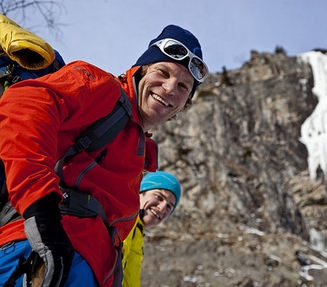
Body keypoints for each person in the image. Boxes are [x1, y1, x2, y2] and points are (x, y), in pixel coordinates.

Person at [0, 24, 208, 287]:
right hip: (34, 253)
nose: (169, 89)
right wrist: (41, 210)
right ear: (141, 70)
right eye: (162, 73)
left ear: (185, 104)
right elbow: (26, 103)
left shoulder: (139, 156)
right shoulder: (104, 88)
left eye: (182, 87)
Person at [122, 171, 181, 287]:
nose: (162, 208)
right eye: (159, 197)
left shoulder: (137, 232)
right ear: (140, 192)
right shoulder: (122, 219)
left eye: (169, 206)